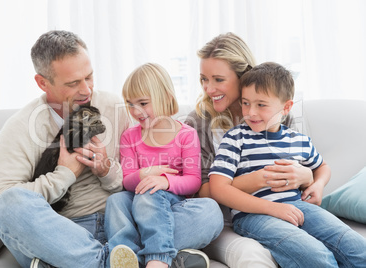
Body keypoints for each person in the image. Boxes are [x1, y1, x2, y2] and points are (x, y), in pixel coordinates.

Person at [0, 30, 135, 268]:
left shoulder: (114, 107)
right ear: (43, 82)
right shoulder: (22, 126)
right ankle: (113, 261)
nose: (86, 90)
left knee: (207, 213)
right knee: (8, 205)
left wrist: (107, 170)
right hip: (62, 237)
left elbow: (139, 178)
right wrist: (64, 175)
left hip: (121, 224)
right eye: (73, 83)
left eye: (89, 77)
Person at [185, 32, 323, 267]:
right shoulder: (198, 123)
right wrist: (258, 179)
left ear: (243, 77)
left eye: (218, 79)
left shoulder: (274, 111)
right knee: (253, 256)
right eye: (203, 79)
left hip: (280, 210)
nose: (209, 88)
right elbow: (203, 193)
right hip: (225, 222)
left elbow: (306, 162)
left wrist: (310, 178)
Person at [209, 61, 366, 267]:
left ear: (286, 107)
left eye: (261, 105)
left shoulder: (298, 140)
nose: (251, 112)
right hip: (254, 215)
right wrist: (272, 208)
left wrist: (317, 185)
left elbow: (322, 167)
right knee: (316, 257)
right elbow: (218, 188)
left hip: (299, 207)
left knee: (357, 248)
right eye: (246, 103)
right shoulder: (235, 138)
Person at [105, 63, 224, 268]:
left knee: (211, 210)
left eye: (143, 103)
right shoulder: (130, 137)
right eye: (130, 104)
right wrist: (145, 174)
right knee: (116, 201)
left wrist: (165, 182)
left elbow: (194, 181)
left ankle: (146, 256)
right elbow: (127, 181)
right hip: (138, 204)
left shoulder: (185, 134)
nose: (136, 111)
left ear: (167, 98)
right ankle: (151, 256)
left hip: (175, 205)